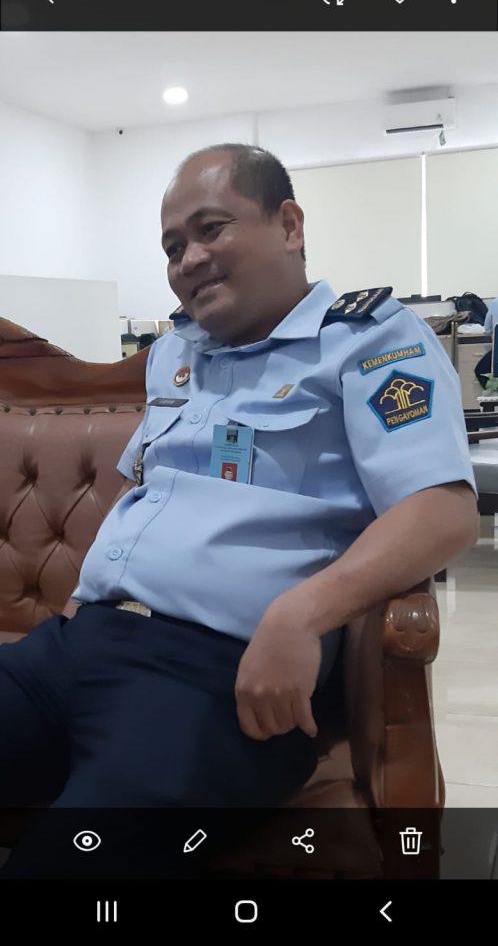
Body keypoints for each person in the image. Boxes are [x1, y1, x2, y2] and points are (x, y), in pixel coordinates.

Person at [0, 143, 478, 876]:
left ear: (288, 225)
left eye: (211, 229)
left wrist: (300, 615)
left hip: (215, 676)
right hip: (72, 649)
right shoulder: (175, 355)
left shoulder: (369, 340)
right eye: (172, 247)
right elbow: (145, 487)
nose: (188, 259)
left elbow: (441, 508)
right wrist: (84, 596)